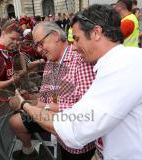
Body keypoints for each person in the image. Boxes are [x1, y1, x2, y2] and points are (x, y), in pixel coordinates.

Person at [10, 4, 142, 159]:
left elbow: (75, 128)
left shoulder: (123, 66)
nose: (74, 47)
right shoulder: (117, 62)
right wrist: (33, 100)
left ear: (96, 32)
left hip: (79, 143)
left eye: (77, 39)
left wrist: (25, 105)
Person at [9, 21, 95, 160]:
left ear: (55, 36)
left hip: (74, 136)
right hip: (52, 120)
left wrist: (40, 106)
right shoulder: (50, 62)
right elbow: (45, 96)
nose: (38, 50)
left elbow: (85, 112)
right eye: (35, 45)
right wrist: (29, 98)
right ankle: (28, 151)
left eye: (40, 43)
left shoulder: (80, 58)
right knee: (15, 121)